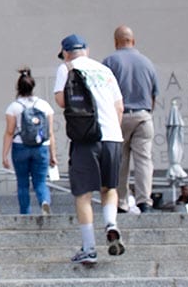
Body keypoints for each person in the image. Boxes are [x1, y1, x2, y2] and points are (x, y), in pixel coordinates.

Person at [54, 34, 125, 265]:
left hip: (86, 137)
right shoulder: (105, 70)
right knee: (110, 187)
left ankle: (89, 248)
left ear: (66, 52)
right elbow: (119, 107)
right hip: (113, 136)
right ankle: (111, 224)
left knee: (83, 194)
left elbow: (61, 101)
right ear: (87, 49)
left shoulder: (67, 68)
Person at [102, 25, 159, 213]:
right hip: (144, 116)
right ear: (133, 41)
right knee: (144, 160)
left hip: (119, 116)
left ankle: (122, 203)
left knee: (121, 161)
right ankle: (145, 201)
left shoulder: (109, 62)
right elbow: (153, 95)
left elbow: (104, 94)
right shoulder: (147, 63)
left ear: (116, 42)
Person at [1, 68, 57, 215]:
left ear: (18, 88)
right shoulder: (44, 105)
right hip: (41, 147)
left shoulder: (14, 107)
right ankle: (44, 201)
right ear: (33, 86)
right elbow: (50, 133)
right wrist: (53, 155)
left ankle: (25, 214)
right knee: (40, 182)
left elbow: (9, 132)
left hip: (20, 147)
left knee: (22, 183)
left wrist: (4, 155)